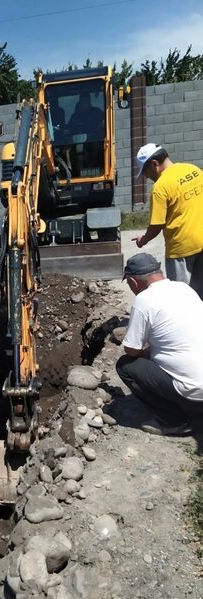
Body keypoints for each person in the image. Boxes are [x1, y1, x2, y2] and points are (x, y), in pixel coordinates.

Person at [116, 253, 203, 436]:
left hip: (195, 394)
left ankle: (173, 420)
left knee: (126, 365)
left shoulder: (144, 300)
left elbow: (131, 350)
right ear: (160, 271)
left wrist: (148, 351)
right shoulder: (184, 288)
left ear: (133, 282)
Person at [132, 143, 203, 299]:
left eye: (145, 171)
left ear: (154, 164)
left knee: (181, 298)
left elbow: (157, 225)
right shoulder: (193, 170)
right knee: (200, 294)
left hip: (181, 249)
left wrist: (143, 240)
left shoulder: (160, 187)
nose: (146, 176)